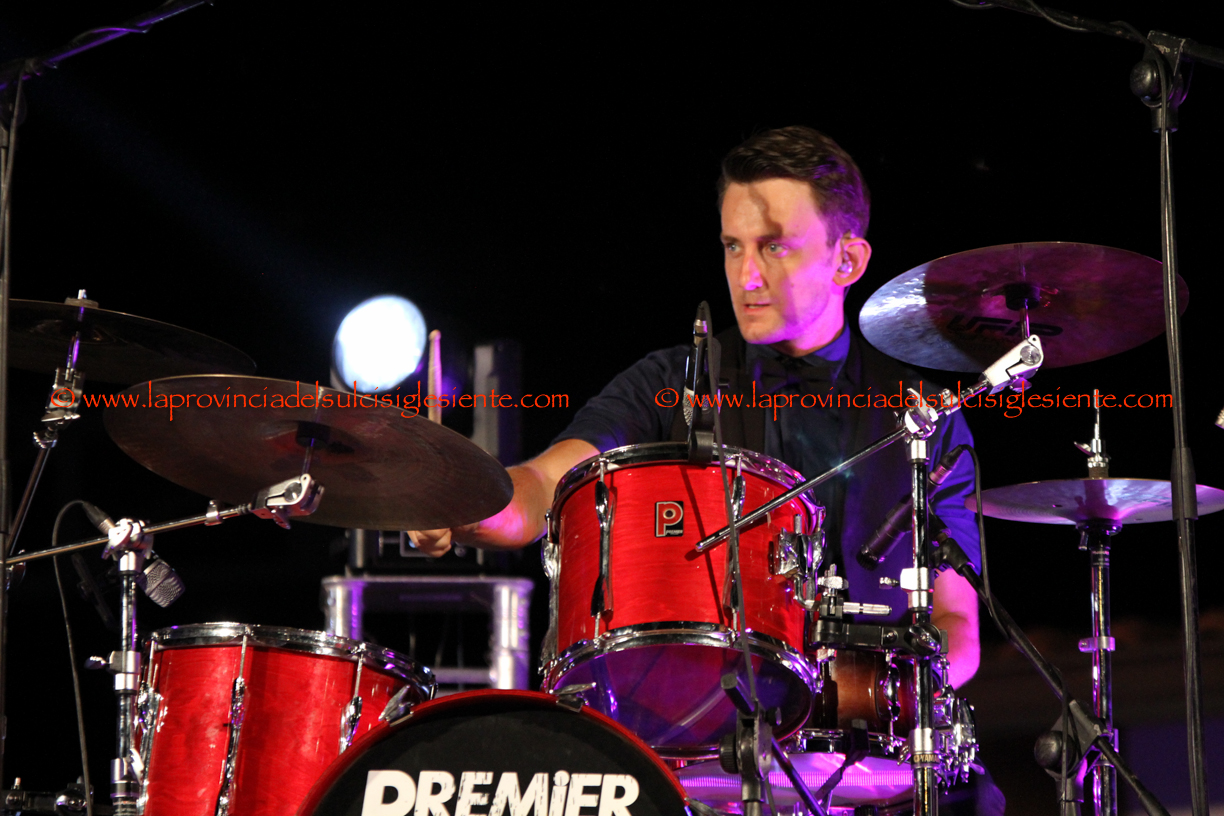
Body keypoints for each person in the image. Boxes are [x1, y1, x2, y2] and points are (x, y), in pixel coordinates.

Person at [410, 125, 982, 688]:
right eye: (733, 246)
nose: (746, 276)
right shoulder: (669, 382)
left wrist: (896, 697)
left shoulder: (924, 414)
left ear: (847, 261)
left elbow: (957, 623)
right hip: (694, 714)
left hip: (869, 728)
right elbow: (545, 484)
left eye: (774, 246)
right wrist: (467, 507)